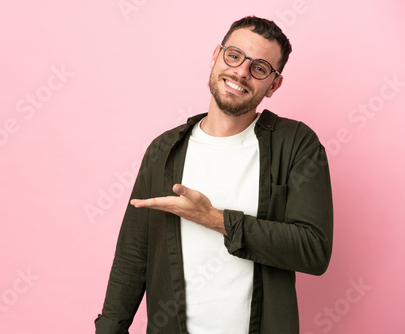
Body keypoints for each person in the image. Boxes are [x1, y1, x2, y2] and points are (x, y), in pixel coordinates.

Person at [95, 16, 333, 334]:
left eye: (259, 68)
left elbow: (313, 250)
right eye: (234, 56)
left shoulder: (295, 144)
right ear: (215, 57)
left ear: (273, 84)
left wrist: (213, 218)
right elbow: (133, 253)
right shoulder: (164, 149)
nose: (241, 72)